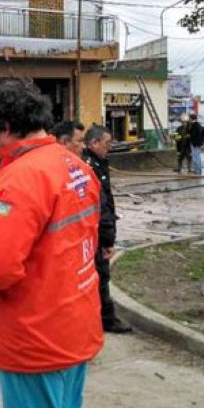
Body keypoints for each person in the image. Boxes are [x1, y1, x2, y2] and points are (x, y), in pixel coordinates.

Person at [0, 78, 103, 408]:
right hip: (74, 322)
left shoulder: (21, 178)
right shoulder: (74, 166)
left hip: (34, 336)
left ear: (4, 129)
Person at [83, 125, 134, 334]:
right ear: (94, 143)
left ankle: (100, 317)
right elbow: (100, 206)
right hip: (94, 233)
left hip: (97, 230)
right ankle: (105, 318)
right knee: (100, 277)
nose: (109, 147)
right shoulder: (89, 166)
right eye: (107, 143)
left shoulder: (99, 163)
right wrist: (107, 239)